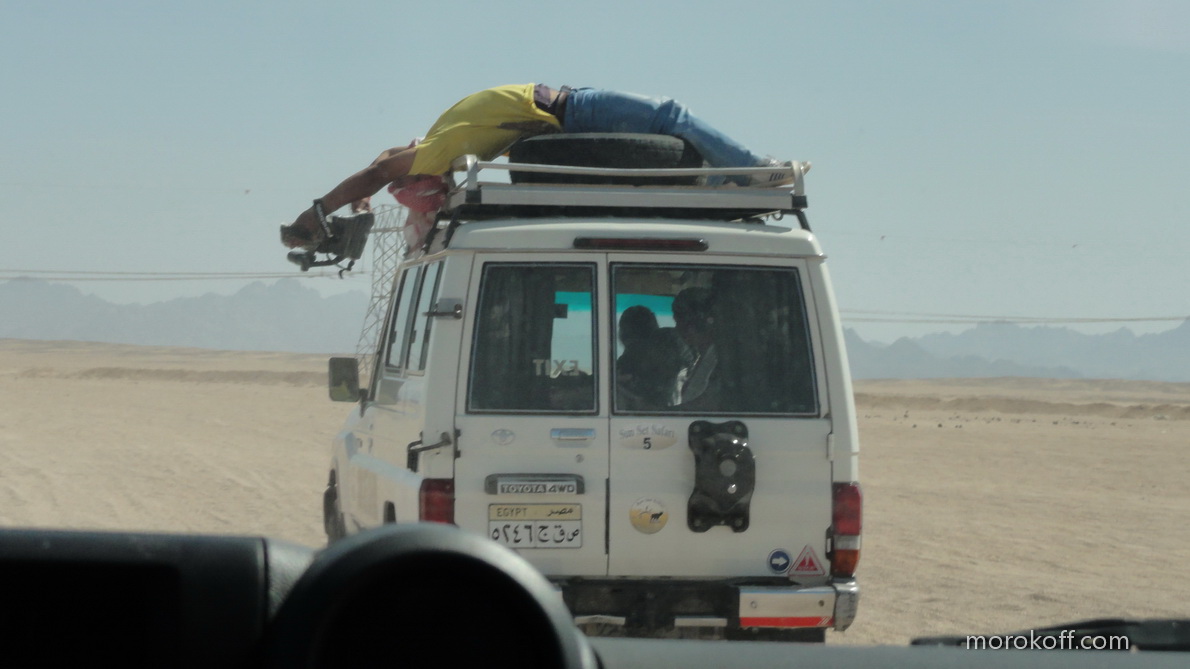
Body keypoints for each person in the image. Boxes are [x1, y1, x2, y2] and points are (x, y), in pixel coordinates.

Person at [281, 84, 795, 249]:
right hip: (573, 109)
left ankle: (729, 174)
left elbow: (382, 165)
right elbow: (382, 166)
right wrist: (334, 206)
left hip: (565, 114)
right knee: (671, 115)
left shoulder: (439, 149)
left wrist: (335, 206)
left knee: (670, 123)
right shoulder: (441, 144)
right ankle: (749, 169)